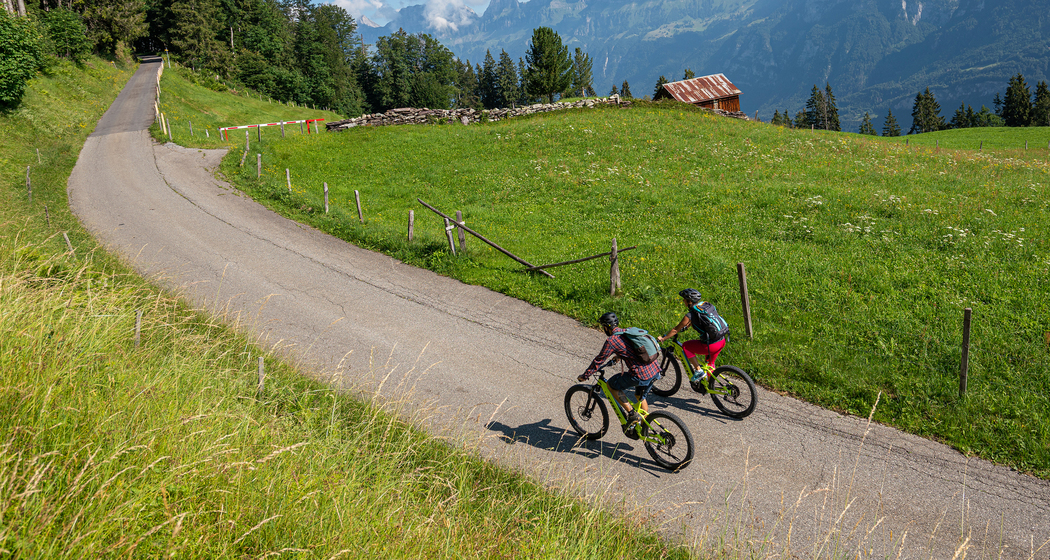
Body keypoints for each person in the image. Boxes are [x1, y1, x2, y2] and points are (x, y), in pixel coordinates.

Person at [578, 312, 662, 429]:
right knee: (640, 397)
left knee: (611, 385)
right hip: (655, 370)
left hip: (641, 375)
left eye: (603, 326)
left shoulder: (611, 341)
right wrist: (619, 356)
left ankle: (632, 414)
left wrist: (585, 376)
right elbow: (631, 349)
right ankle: (644, 429)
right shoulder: (628, 332)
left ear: (606, 327)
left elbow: (599, 360)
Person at [657, 289, 729, 388]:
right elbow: (703, 321)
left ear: (689, 301)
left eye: (684, 299)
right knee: (710, 364)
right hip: (721, 340)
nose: (683, 301)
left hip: (711, 345)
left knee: (686, 346)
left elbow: (675, 330)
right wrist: (688, 326)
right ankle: (710, 387)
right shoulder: (704, 306)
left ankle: (698, 371)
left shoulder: (690, 315)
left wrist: (663, 338)